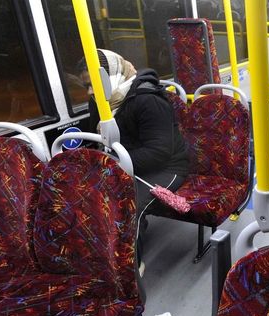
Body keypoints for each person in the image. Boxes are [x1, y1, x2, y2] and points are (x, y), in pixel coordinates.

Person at [80, 49, 189, 272]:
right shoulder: (100, 101)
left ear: (109, 76)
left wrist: (113, 167)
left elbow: (160, 152)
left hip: (167, 166)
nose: (90, 91)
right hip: (123, 164)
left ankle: (130, 268)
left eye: (94, 83)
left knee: (129, 204)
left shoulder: (149, 100)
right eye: (85, 86)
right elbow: (98, 139)